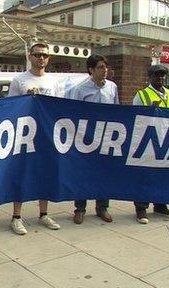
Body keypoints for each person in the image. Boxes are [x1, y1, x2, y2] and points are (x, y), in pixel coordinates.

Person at [7, 42, 62, 235]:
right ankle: (16, 216)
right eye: (37, 55)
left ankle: (43, 213)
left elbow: (59, 108)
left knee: (44, 174)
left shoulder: (53, 81)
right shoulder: (19, 80)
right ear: (30, 57)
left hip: (46, 136)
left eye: (45, 55)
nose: (41, 58)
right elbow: (10, 107)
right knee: (21, 174)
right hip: (24, 136)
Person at [70, 54, 118, 225]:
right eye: (100, 67)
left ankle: (102, 207)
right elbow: (74, 114)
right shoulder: (80, 89)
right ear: (91, 70)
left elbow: (116, 112)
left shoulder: (112, 87)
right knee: (83, 173)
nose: (105, 70)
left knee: (104, 173)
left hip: (106, 138)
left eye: (106, 67)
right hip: (86, 138)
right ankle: (80, 209)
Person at [132, 64, 169, 224]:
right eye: (156, 76)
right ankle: (141, 209)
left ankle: (160, 205)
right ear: (150, 77)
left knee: (162, 175)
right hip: (148, 140)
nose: (160, 78)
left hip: (165, 140)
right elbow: (135, 117)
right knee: (145, 175)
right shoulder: (142, 95)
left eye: (162, 76)